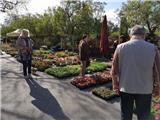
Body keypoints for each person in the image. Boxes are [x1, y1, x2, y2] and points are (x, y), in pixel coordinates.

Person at [111, 25, 160, 120]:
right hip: (145, 89)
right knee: (144, 116)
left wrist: (115, 84)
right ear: (144, 35)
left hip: (126, 88)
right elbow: (158, 71)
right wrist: (158, 86)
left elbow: (114, 70)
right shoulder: (153, 48)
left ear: (131, 34)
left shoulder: (120, 47)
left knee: (126, 116)